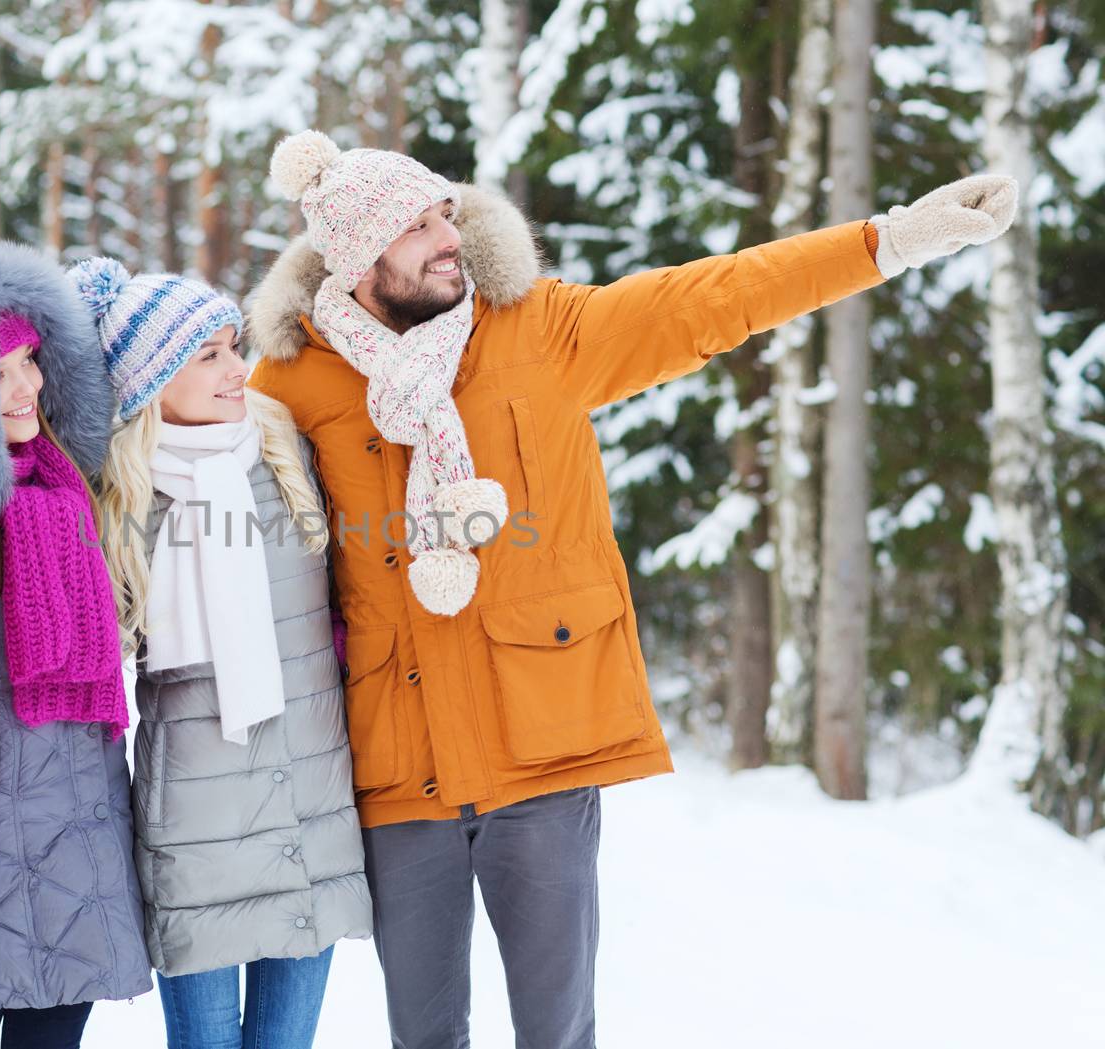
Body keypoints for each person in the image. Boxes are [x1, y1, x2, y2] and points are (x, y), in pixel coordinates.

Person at [247, 129, 1018, 1049]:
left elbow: (714, 297)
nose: (445, 235)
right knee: (421, 1035)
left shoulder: (542, 329)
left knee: (558, 1030)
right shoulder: (291, 379)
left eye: (445, 212)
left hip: (539, 749)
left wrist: (887, 241)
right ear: (359, 253)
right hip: (396, 767)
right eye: (415, 226)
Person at [76, 257, 373, 1049]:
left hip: (308, 801)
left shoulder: (285, 457)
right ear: (149, 380)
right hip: (197, 824)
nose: (236, 369)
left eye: (231, 346)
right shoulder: (119, 496)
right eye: (206, 355)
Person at [0, 241, 153, 1048]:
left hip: (78, 832)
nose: (27, 387)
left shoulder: (73, 490)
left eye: (33, 363)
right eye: (0, 370)